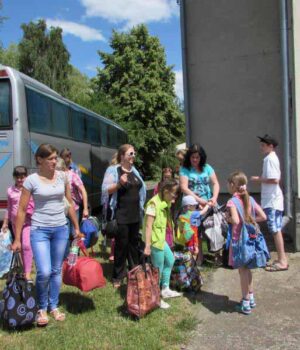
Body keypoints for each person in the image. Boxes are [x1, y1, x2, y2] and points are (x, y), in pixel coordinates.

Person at [11, 144, 81, 326]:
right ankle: (41, 307)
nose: (54, 161)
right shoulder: (31, 180)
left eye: (55, 157)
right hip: (39, 230)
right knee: (44, 271)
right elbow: (21, 210)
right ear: (39, 160)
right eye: (50, 158)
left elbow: (69, 203)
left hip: (60, 229)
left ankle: (53, 305)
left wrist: (76, 227)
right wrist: (17, 238)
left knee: (56, 270)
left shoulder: (63, 177)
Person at [101, 144, 146, 288]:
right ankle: (118, 277)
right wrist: (119, 184)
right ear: (122, 156)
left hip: (135, 215)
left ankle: (134, 272)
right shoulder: (114, 170)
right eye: (130, 154)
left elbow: (141, 190)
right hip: (121, 214)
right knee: (121, 246)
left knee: (134, 245)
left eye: (134, 154)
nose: (133, 156)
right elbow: (105, 190)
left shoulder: (134, 171)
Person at [226, 171, 267, 314]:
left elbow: (236, 221)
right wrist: (251, 220)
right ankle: (251, 296)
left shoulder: (232, 202)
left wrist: (228, 219)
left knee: (242, 271)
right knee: (248, 269)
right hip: (251, 240)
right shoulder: (250, 199)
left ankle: (245, 302)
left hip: (239, 241)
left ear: (232, 185)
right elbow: (263, 216)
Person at [251, 135, 289, 271]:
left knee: (275, 230)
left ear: (270, 146)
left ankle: (283, 261)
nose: (261, 147)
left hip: (272, 200)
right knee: (276, 229)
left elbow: (274, 179)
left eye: (263, 145)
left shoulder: (270, 159)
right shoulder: (271, 158)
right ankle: (281, 259)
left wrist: (258, 179)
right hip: (273, 199)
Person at [143, 179, 182, 309]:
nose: (175, 196)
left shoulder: (164, 202)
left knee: (170, 260)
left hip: (161, 240)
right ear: (166, 191)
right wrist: (148, 245)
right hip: (154, 241)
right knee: (157, 270)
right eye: (174, 193)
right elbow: (148, 226)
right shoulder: (153, 204)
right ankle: (156, 298)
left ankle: (165, 289)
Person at [179, 143, 220, 264]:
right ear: (189, 157)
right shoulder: (184, 169)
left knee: (214, 228)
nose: (195, 160)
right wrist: (199, 200)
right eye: (193, 157)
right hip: (192, 205)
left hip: (209, 203)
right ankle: (199, 256)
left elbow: (216, 183)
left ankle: (217, 254)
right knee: (196, 231)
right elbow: (184, 188)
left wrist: (214, 198)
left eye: (197, 157)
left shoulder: (207, 167)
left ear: (201, 157)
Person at [1, 166, 34, 281]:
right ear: (14, 177)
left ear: (26, 176)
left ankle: (28, 272)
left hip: (27, 222)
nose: (20, 180)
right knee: (19, 247)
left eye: (23, 177)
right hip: (15, 224)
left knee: (26, 245)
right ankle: (23, 268)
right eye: (18, 177)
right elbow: (9, 208)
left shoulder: (29, 189)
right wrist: (5, 223)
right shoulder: (10, 190)